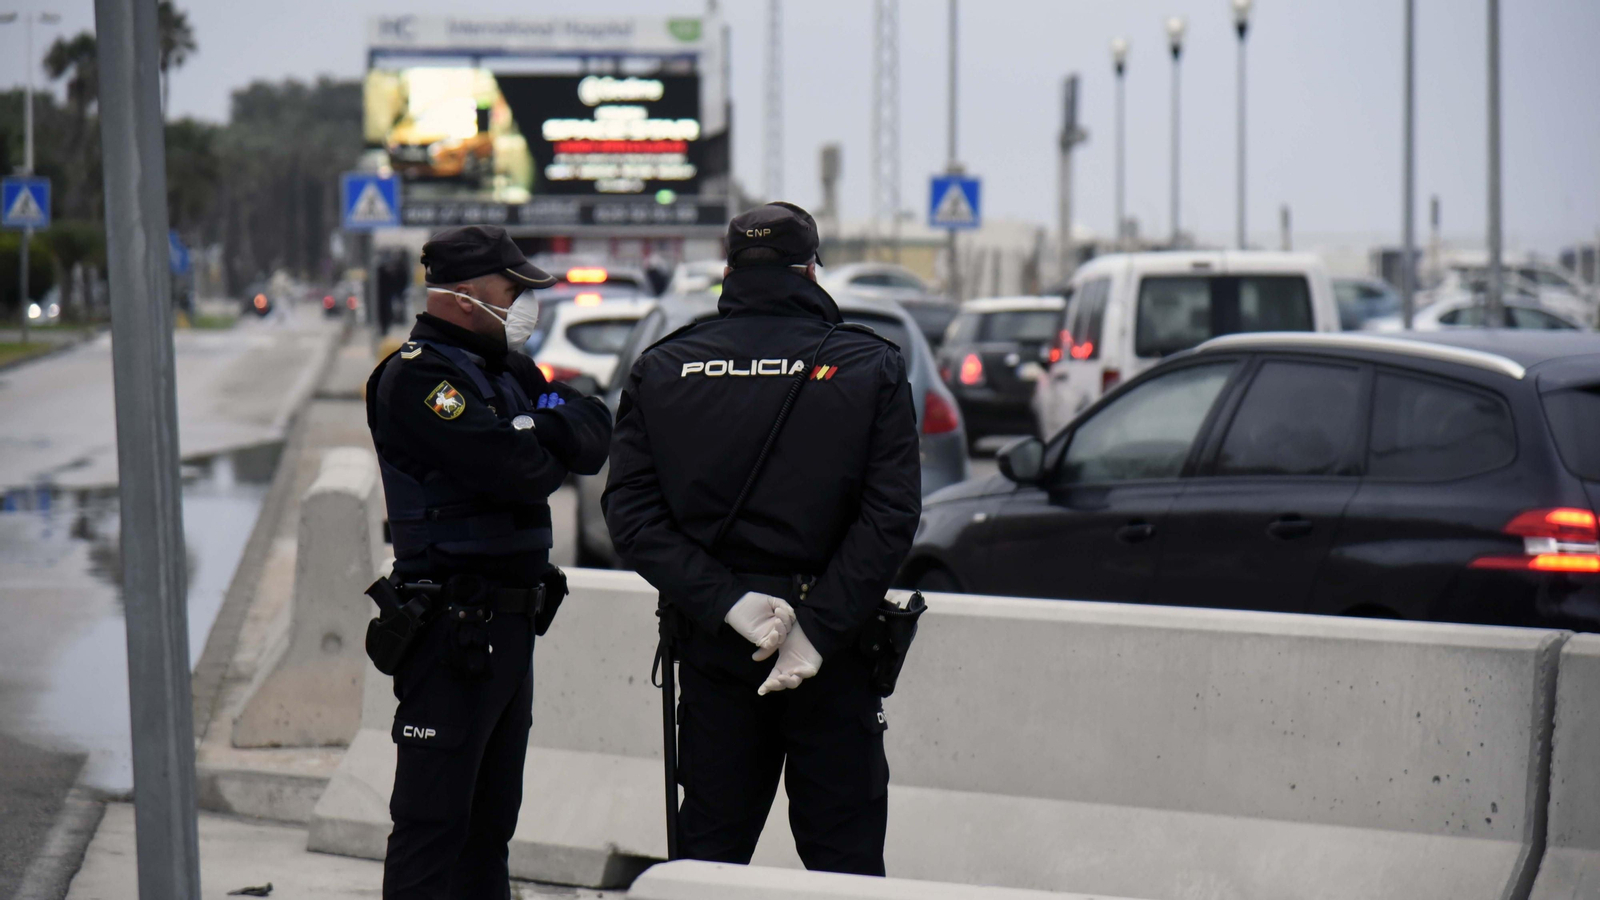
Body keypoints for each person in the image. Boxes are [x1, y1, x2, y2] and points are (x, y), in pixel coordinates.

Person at [602, 202, 922, 874]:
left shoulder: (666, 366)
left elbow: (630, 515)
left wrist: (727, 603)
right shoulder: (870, 365)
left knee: (709, 860)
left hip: (719, 647)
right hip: (834, 652)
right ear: (811, 268)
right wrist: (817, 629)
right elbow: (890, 518)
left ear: (728, 269)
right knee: (846, 866)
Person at [364, 224, 612, 899]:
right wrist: (540, 432)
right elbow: (517, 468)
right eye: (515, 290)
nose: (526, 304)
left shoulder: (507, 370)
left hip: (509, 631)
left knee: (489, 830)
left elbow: (592, 429)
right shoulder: (419, 378)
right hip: (452, 632)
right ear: (471, 296)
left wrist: (538, 426)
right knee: (432, 826)